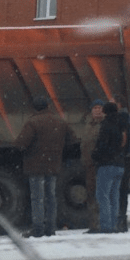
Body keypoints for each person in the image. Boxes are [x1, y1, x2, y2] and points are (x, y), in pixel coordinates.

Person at [15, 96, 78, 238]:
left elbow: (21, 143)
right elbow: (72, 140)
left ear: (35, 108)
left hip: (35, 166)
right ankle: (50, 228)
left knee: (37, 198)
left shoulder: (33, 122)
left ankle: (38, 229)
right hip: (53, 165)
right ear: (48, 106)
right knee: (51, 198)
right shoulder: (60, 122)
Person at [90, 101, 129, 234]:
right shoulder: (122, 124)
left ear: (105, 112)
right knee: (114, 196)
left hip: (107, 164)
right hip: (120, 164)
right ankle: (113, 224)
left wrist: (95, 156)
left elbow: (102, 145)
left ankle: (105, 226)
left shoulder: (106, 125)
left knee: (102, 196)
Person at [79, 99, 105, 232]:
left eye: (100, 107)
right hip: (88, 165)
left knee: (100, 195)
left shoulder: (104, 125)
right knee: (91, 195)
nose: (97, 110)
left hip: (99, 166)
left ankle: (102, 224)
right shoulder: (88, 125)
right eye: (95, 108)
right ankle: (93, 224)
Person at [114, 95, 130, 232]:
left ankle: (120, 221)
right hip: (127, 158)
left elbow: (129, 138)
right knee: (121, 191)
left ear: (118, 104)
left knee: (119, 191)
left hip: (124, 159)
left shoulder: (123, 118)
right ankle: (121, 221)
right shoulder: (128, 118)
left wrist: (125, 154)